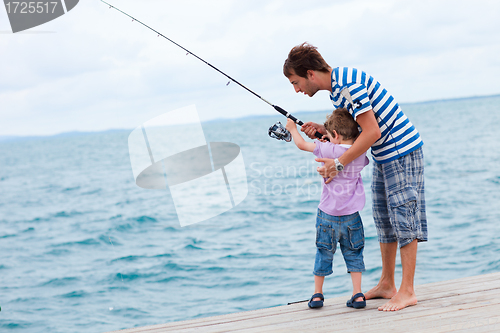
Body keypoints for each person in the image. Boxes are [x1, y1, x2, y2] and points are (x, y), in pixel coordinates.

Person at [283, 42, 427, 311]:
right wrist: (325, 132)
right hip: (384, 156)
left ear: (310, 73)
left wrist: (337, 164)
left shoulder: (348, 85)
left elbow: (372, 133)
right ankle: (387, 283)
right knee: (384, 219)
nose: (297, 89)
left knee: (403, 218)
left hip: (401, 151)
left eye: (296, 81)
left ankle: (407, 291)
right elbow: (353, 136)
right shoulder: (338, 92)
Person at [285, 108, 369, 309]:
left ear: (336, 135)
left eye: (330, 136)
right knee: (354, 253)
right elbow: (351, 146)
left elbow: (301, 144)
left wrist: (292, 128)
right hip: (352, 216)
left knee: (323, 253)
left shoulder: (327, 150)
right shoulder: (359, 151)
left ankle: (317, 294)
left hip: (327, 216)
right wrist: (330, 139)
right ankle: (358, 294)